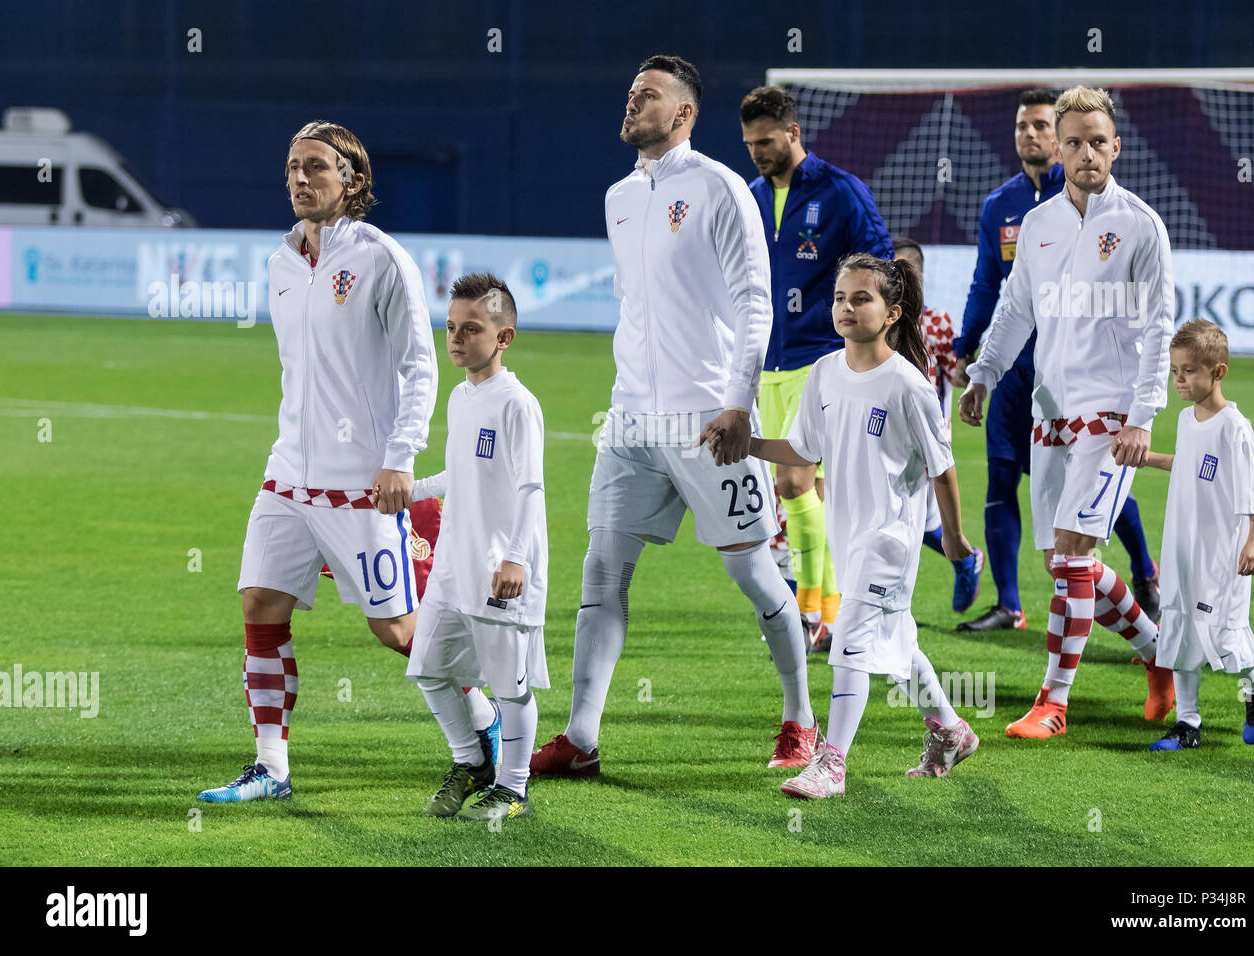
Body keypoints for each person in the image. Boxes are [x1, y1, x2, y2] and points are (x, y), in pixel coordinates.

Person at [531, 55, 817, 777]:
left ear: (684, 114)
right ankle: (581, 739)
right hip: (631, 420)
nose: (632, 104)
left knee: (754, 576)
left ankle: (799, 718)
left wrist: (737, 405)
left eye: (649, 95)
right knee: (601, 574)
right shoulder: (619, 197)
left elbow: (755, 302)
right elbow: (637, 306)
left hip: (708, 420)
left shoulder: (720, 189)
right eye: (630, 93)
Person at [198, 121, 441, 803]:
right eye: (292, 168)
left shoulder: (381, 259)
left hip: (361, 480)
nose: (300, 179)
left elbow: (420, 367)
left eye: (316, 168)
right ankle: (271, 767)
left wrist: (400, 457)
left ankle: (488, 721)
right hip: (288, 475)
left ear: (353, 180)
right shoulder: (279, 261)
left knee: (395, 629)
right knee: (260, 603)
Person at [708, 253, 979, 797]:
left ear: (893, 312)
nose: (847, 307)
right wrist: (749, 443)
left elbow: (942, 468)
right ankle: (952, 729)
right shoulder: (827, 372)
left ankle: (832, 764)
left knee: (850, 641)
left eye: (862, 298)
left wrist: (951, 535)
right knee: (897, 643)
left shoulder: (909, 386)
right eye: (839, 298)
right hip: (848, 538)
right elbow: (804, 449)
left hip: (889, 542)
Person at [959, 86, 1176, 738]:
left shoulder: (1141, 225)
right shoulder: (1039, 225)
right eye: (1074, 142)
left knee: (1076, 555)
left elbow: (1160, 329)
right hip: (1049, 413)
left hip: (1110, 417)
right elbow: (1017, 307)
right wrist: (984, 374)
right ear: (1058, 147)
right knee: (1065, 564)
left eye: (1097, 141)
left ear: (1117, 145)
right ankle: (1159, 655)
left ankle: (1053, 703)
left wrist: (1142, 415)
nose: (1086, 153)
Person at [740, 85, 896, 651]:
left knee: (794, 480)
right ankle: (829, 613)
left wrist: (869, 338)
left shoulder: (839, 191)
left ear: (793, 132)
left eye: (767, 141)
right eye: (750, 144)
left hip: (821, 359)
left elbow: (881, 261)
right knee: (805, 493)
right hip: (770, 363)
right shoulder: (751, 196)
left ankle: (809, 613)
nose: (758, 152)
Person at [406, 274, 549, 820]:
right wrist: (410, 492)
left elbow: (529, 487)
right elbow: (460, 473)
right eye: (450, 328)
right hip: (452, 566)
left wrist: (515, 556)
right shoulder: (461, 397)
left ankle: (514, 787)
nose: (456, 340)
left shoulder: (517, 404)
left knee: (510, 689)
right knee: (428, 669)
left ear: (504, 337)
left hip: (499, 570)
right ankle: (471, 763)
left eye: (471, 329)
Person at [1142, 320, 1254, 749]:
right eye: (1175, 371)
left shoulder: (1234, 427)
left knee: (1222, 631)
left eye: (1190, 371)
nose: (1180, 380)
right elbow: (1188, 463)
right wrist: (1146, 459)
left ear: (1218, 372)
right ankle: (1188, 724)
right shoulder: (1186, 418)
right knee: (1179, 626)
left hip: (1223, 551)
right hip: (1183, 543)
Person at [892, 236, 985, 609]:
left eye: (905, 269)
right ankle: (964, 558)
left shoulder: (937, 323)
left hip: (928, 442)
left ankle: (963, 559)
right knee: (912, 523)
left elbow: (956, 376)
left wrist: (972, 366)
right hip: (885, 435)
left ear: (919, 275)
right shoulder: (878, 319)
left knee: (915, 524)